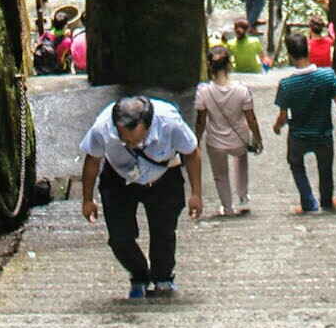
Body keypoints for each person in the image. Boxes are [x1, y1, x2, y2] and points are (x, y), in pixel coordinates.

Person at [81, 94, 203, 299]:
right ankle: (139, 275)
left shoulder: (169, 123)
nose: (131, 145)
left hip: (163, 177)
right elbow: (92, 161)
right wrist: (87, 198)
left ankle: (163, 277)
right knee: (119, 238)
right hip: (119, 177)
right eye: (125, 141)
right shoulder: (102, 127)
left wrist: (196, 193)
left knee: (163, 231)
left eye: (137, 140)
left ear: (149, 126)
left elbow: (191, 153)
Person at [273, 27, 336, 214]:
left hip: (298, 136)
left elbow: (282, 117)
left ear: (290, 54)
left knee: (296, 164)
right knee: (325, 168)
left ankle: (308, 202)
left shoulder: (286, 85)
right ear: (308, 49)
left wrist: (277, 126)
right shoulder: (327, 76)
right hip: (323, 134)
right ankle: (327, 201)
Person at [194, 45, 263, 217]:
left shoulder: (203, 91)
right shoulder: (242, 89)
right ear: (229, 65)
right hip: (239, 138)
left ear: (209, 65)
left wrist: (195, 141)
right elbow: (251, 118)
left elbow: (201, 121)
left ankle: (227, 206)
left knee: (220, 175)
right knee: (241, 165)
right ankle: (243, 197)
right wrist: (258, 138)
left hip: (215, 140)